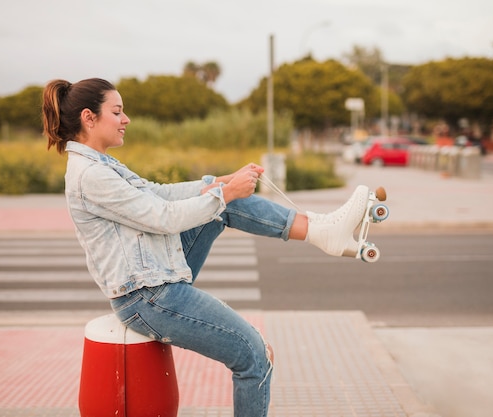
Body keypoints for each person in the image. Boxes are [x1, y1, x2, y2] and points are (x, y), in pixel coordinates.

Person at [42, 78, 370, 417]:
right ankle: (321, 231)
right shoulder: (89, 175)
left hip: (159, 276)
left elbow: (160, 193)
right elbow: (163, 217)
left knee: (218, 201)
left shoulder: (101, 164)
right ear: (89, 118)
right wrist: (224, 194)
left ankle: (321, 230)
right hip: (148, 295)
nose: (126, 119)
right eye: (118, 111)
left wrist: (219, 183)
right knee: (255, 356)